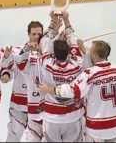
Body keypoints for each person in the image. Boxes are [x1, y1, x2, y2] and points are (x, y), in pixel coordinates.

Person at [39, 40, 116, 142]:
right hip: (115, 126)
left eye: (89, 51)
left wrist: (49, 89)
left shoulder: (90, 74)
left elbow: (73, 91)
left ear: (94, 54)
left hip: (96, 128)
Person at [32, 10, 87, 142]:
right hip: (73, 116)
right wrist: (67, 20)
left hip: (52, 117)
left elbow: (45, 42)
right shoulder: (77, 62)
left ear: (53, 53)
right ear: (69, 52)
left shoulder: (46, 63)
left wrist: (54, 22)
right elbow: (73, 40)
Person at [1, 21, 44, 142]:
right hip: (19, 105)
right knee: (13, 137)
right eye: (34, 34)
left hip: (38, 106)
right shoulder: (17, 51)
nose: (36, 37)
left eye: (39, 34)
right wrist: (6, 75)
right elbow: (6, 67)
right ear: (28, 34)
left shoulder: (46, 54)